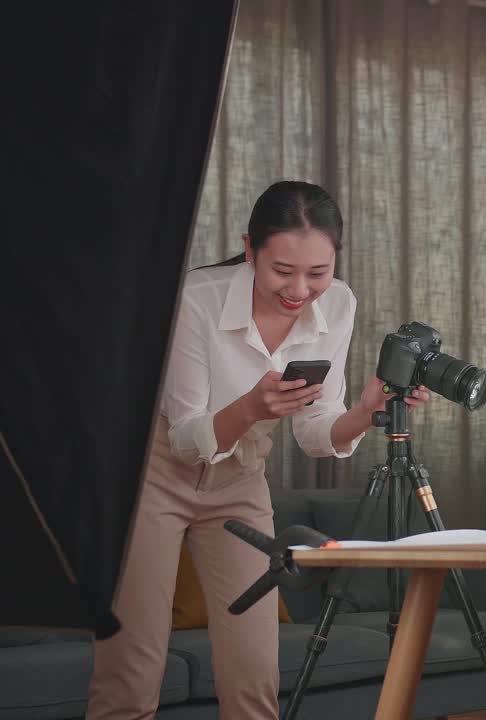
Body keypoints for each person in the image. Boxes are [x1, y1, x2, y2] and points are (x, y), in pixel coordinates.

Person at [87, 181, 428, 720]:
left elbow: (316, 432)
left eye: (317, 273)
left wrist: (365, 409)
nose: (299, 289)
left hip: (240, 479)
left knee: (254, 674)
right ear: (250, 250)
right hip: (152, 476)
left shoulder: (337, 304)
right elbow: (184, 436)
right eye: (282, 271)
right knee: (131, 676)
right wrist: (250, 408)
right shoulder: (196, 299)